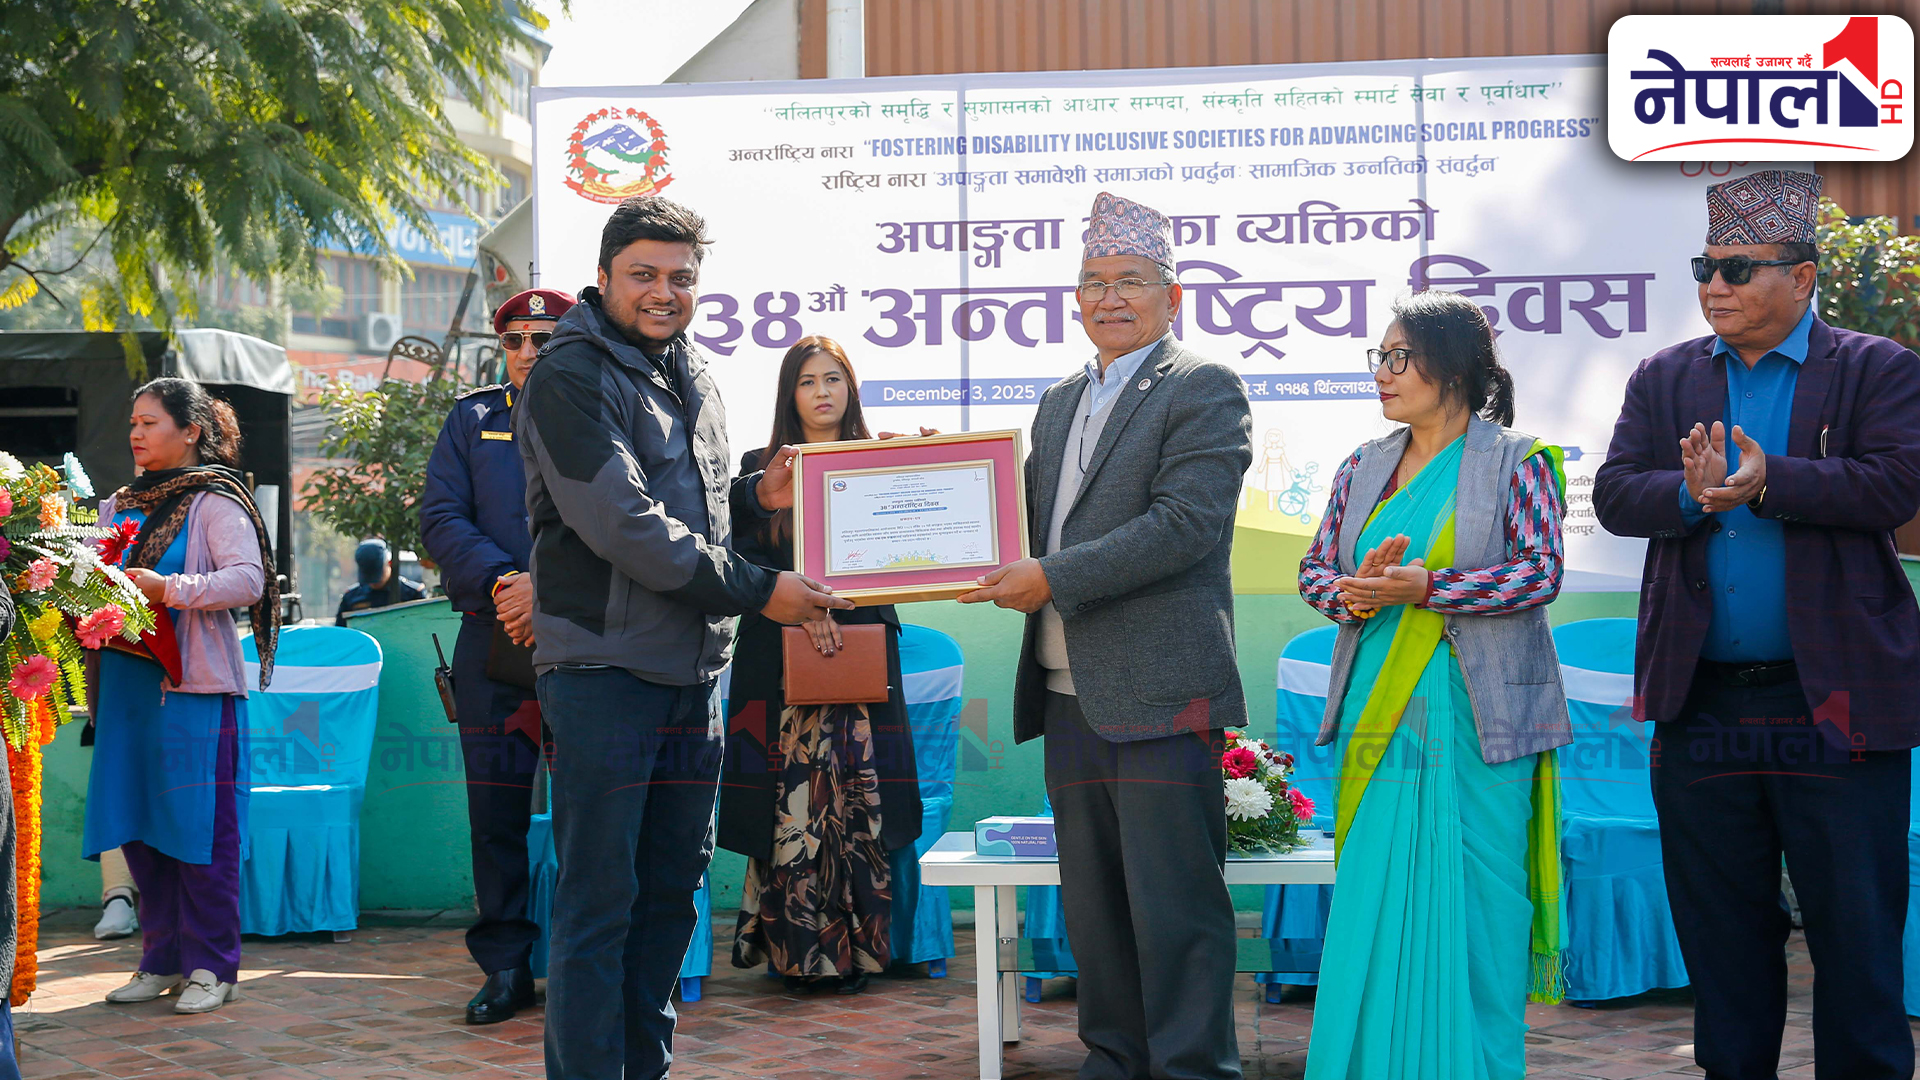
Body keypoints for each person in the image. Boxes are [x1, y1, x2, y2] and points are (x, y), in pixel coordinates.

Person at [1592, 170, 1920, 1080]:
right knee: (1721, 932)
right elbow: (1616, 493)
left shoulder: (1875, 369)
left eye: (1738, 267)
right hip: (1702, 702)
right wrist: (1689, 494)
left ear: (1802, 276)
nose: (1716, 285)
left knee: (1856, 929)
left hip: (1835, 702)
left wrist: (1770, 479)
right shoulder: (1666, 377)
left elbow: (1895, 486)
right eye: (1706, 267)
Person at [516, 195, 849, 1080]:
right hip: (603, 674)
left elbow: (690, 511)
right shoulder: (568, 375)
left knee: (669, 895)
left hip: (692, 672)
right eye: (644, 274)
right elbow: (625, 526)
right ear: (603, 278)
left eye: (681, 277)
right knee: (600, 902)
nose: (664, 291)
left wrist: (753, 500)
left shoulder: (689, 369)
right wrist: (762, 589)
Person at [959, 191, 1252, 1080]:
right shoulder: (1059, 401)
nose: (1111, 297)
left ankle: (1192, 1068)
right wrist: (937, 485)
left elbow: (1184, 525)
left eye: (1131, 280)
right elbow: (1025, 520)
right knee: (1094, 906)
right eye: (1094, 282)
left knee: (1177, 906)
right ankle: (1114, 1062)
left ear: (1173, 295)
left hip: (1162, 692)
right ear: (1075, 298)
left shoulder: (1202, 386)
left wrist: (1053, 578)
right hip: (1067, 693)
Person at [1296, 290, 1571, 1079]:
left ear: (1450, 369)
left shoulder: (1519, 461)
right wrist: (1355, 593)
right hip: (1380, 707)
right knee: (1379, 894)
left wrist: (1427, 587)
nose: (1382, 373)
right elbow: (1315, 572)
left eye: (1398, 357)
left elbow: (1539, 572)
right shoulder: (1363, 466)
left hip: (1483, 713)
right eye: (1379, 357)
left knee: (1481, 904)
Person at [719, 336, 925, 995]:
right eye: (808, 381)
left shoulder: (880, 459)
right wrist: (801, 608)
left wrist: (928, 468)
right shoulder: (758, 474)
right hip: (780, 665)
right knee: (793, 806)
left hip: (859, 656)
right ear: (790, 394)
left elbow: (907, 545)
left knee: (860, 803)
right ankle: (797, 954)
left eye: (833, 378)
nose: (822, 392)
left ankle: (860, 953)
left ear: (850, 388)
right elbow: (736, 562)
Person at [84, 377, 279, 1015]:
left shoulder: (215, 500)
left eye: (149, 423)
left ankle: (213, 966)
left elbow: (248, 580)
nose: (136, 434)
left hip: (192, 687)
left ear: (190, 431)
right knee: (139, 826)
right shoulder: (120, 503)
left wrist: (169, 589)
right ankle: (162, 958)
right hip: (125, 685)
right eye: (132, 423)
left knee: (201, 832)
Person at [419, 286, 575, 1024]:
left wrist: (547, 590)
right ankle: (506, 968)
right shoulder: (472, 419)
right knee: (496, 813)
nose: (528, 352)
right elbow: (441, 517)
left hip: (584, 632)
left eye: (544, 339)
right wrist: (507, 585)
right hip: (493, 634)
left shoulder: (598, 414)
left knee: (593, 810)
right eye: (515, 340)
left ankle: (588, 964)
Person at [334, 537, 425, 625]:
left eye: (377, 575)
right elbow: (340, 631)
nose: (373, 582)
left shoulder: (412, 594)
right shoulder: (351, 598)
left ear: (389, 563)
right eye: (368, 576)